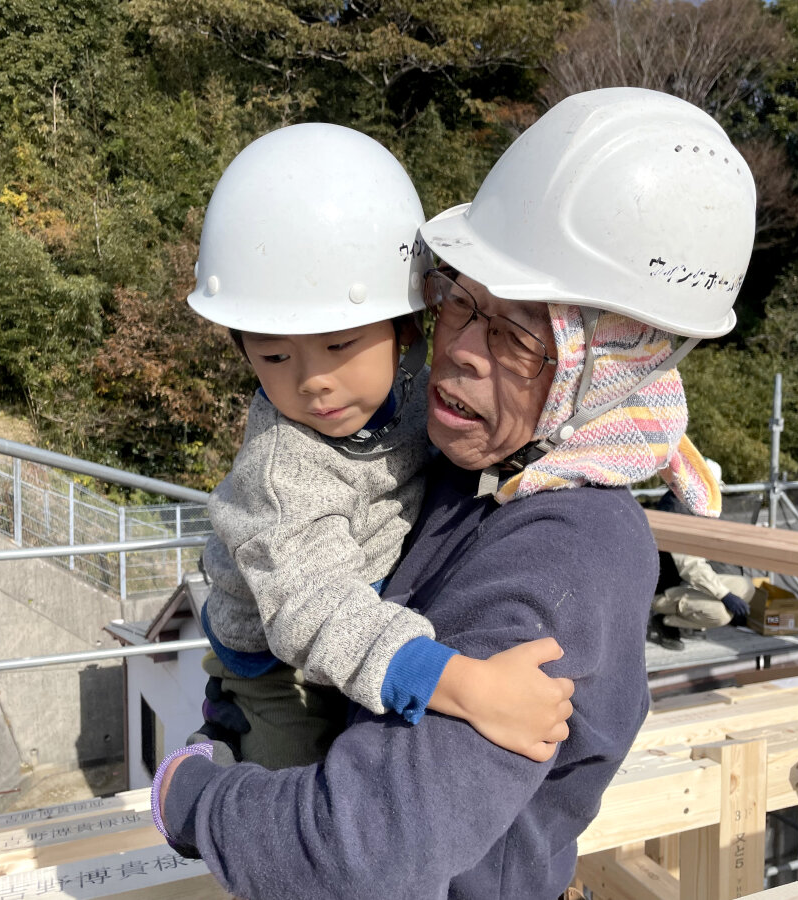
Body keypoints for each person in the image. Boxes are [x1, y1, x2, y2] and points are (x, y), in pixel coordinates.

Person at [152, 87, 757, 899]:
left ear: (605, 369)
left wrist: (193, 803)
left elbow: (355, 855)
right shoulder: (476, 459)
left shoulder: (563, 556)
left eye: (515, 334)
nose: (460, 351)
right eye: (461, 302)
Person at [186, 122, 572, 770]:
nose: (312, 381)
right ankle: (211, 757)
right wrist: (464, 686)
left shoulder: (420, 395)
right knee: (296, 771)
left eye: (339, 346)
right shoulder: (284, 473)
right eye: (275, 355)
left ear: (405, 329)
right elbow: (315, 612)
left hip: (363, 588)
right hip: (276, 651)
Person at [648, 460, 754, 651]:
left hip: (683, 583)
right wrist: (724, 595)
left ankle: (689, 615)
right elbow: (690, 566)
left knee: (747, 587)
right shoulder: (675, 511)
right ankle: (664, 621)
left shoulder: (691, 505)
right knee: (720, 614)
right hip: (662, 590)